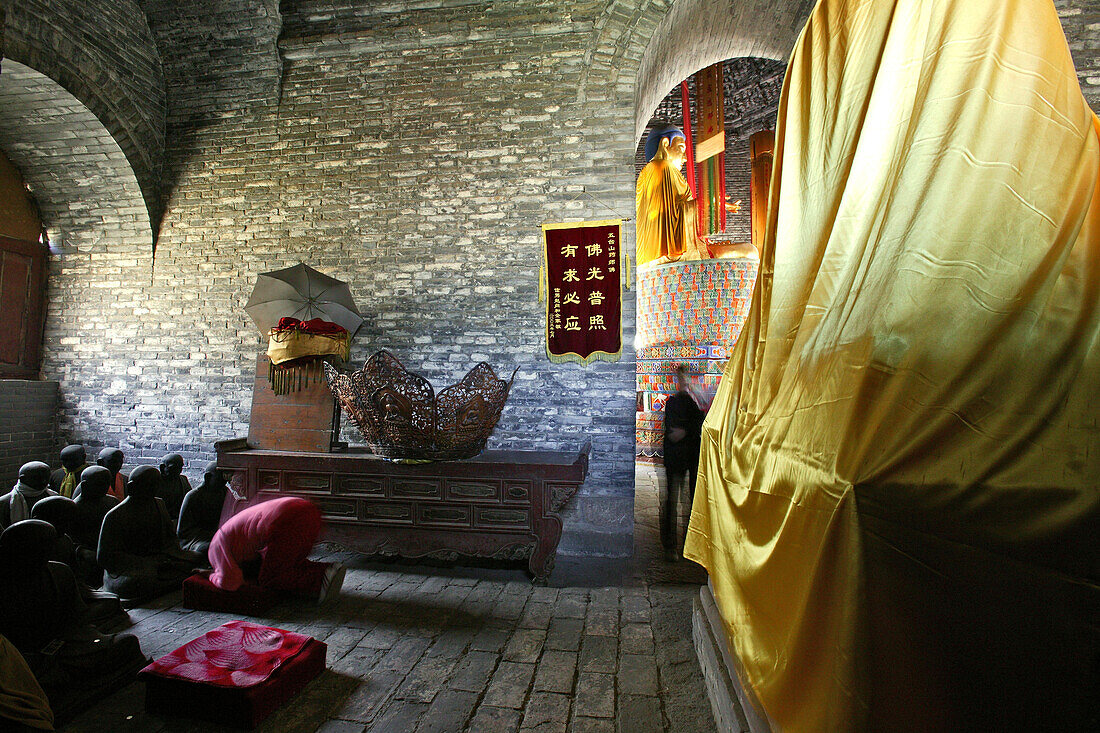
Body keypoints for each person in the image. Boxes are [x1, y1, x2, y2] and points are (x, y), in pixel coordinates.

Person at [208, 496, 344, 603]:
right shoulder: (227, 532)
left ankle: (320, 578)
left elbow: (230, 582)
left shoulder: (215, 548)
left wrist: (212, 576)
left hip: (284, 519)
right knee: (291, 561)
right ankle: (328, 569)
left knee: (270, 577)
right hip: (305, 508)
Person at [97, 466, 199, 605]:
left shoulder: (159, 504)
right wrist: (146, 562)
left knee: (196, 559)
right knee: (139, 580)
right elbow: (105, 557)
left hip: (159, 558)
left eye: (156, 485)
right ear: (133, 487)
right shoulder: (116, 515)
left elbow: (171, 539)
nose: (155, 489)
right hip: (131, 568)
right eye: (150, 486)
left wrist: (168, 556)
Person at [636, 124, 709, 268]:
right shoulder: (661, 167)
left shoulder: (656, 171)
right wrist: (707, 204)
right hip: (669, 253)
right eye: (681, 148)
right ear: (665, 144)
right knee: (748, 251)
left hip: (677, 247)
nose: (686, 158)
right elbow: (670, 216)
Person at [661, 364, 706, 561]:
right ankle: (671, 546)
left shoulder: (695, 402)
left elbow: (698, 423)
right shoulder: (674, 403)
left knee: (689, 502)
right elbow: (674, 429)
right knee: (672, 500)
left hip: (689, 455)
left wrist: (684, 431)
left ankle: (688, 545)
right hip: (677, 456)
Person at [177, 461, 228, 560]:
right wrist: (211, 534)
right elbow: (184, 532)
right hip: (194, 539)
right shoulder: (193, 496)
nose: (224, 483)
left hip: (217, 534)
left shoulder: (224, 492)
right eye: (220, 480)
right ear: (208, 477)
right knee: (212, 547)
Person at [0, 462, 57, 530]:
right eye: (38, 478)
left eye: (47, 477)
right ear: (23, 479)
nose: (44, 481)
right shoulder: (4, 503)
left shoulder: (53, 497)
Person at [155, 453, 191, 521]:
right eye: (174, 468)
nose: (178, 471)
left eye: (180, 467)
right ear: (162, 468)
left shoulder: (183, 480)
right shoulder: (156, 483)